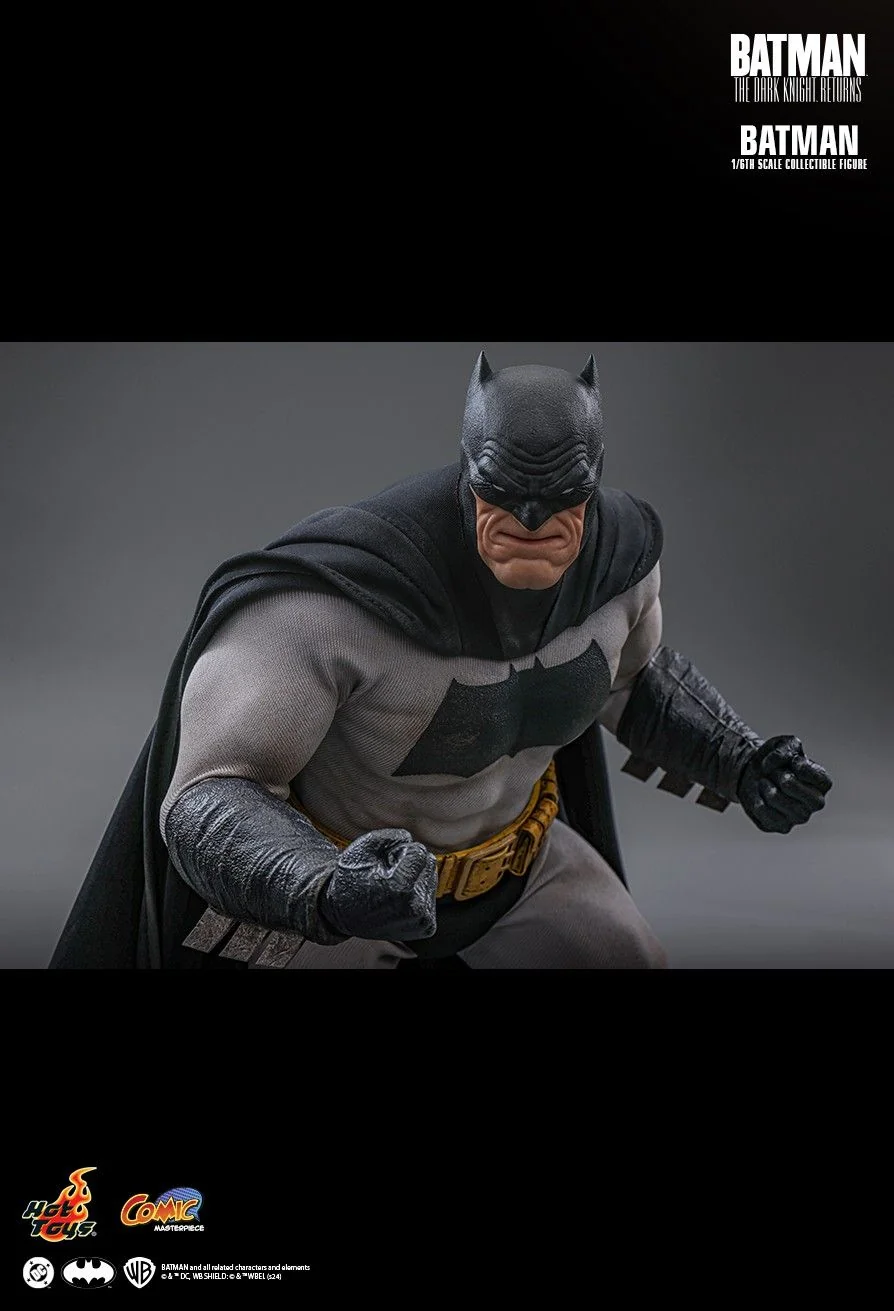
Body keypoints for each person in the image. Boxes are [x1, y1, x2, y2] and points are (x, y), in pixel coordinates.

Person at [50, 352, 831, 970]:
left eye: (559, 495)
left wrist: (740, 761)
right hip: (335, 887)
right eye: (506, 492)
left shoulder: (620, 571)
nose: (532, 517)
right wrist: (324, 887)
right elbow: (208, 798)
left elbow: (631, 684)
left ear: (592, 482)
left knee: (627, 957)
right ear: (469, 474)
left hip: (519, 873)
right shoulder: (330, 607)